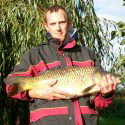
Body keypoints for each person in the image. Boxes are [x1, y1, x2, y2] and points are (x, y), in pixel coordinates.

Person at [4, 5, 119, 125]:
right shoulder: (34, 55)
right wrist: (34, 93)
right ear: (46, 26)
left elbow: (99, 103)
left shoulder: (89, 54)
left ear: (69, 23)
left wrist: (107, 94)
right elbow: (10, 87)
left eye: (62, 22)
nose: (58, 28)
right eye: (53, 24)